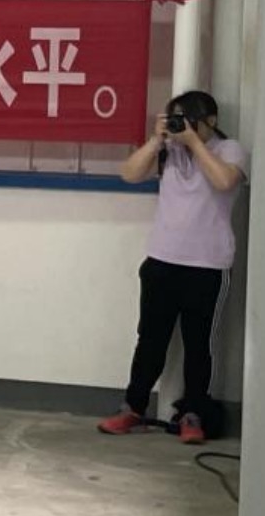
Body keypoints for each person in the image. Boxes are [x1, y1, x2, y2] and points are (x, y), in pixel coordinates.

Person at [97, 90, 249, 445]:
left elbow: (225, 181)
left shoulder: (229, 149)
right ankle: (133, 408)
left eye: (189, 119)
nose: (183, 127)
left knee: (199, 344)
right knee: (150, 340)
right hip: (161, 261)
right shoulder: (168, 150)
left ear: (211, 121)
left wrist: (194, 142)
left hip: (207, 265)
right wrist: (156, 140)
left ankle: (193, 414)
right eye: (176, 119)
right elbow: (129, 174)